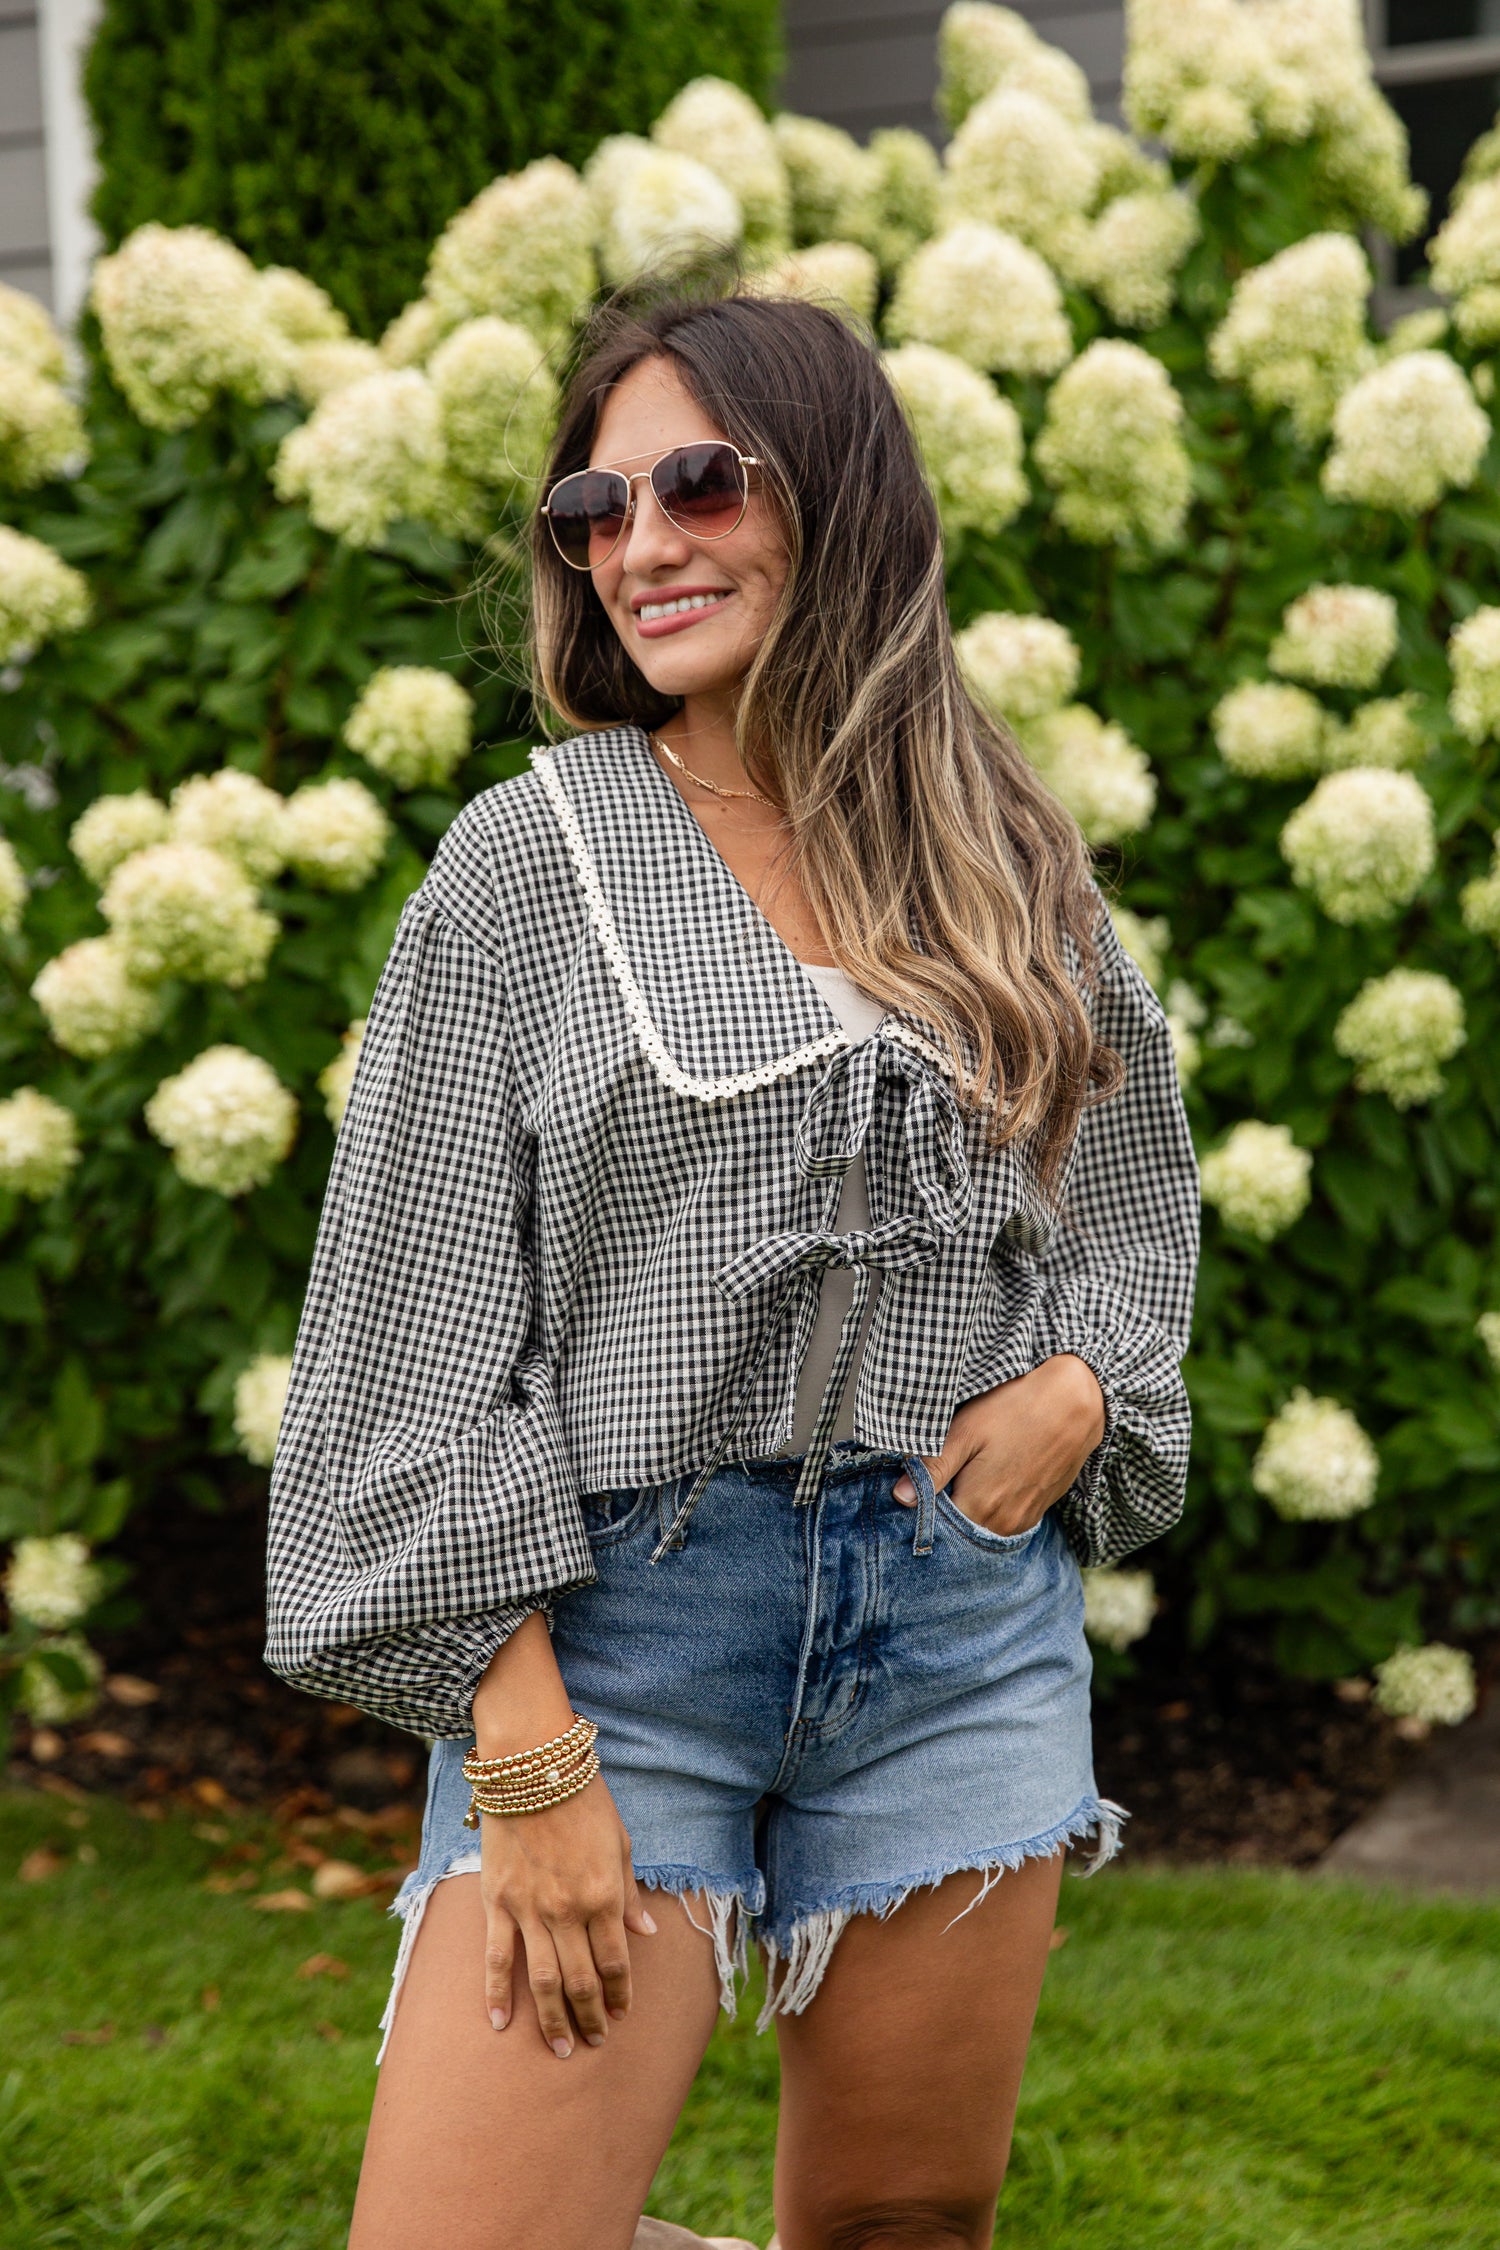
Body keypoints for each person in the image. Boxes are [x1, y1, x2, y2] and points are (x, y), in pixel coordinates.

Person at [263, 282, 1199, 2250]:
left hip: (957, 1634)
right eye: (592, 509)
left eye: (698, 480)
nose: (640, 543)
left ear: (834, 494)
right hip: (620, 1639)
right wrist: (526, 1747)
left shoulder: (1003, 859)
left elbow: (1127, 1200)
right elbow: (407, 1329)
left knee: (900, 2228)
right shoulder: (528, 866)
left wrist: (1083, 1387)